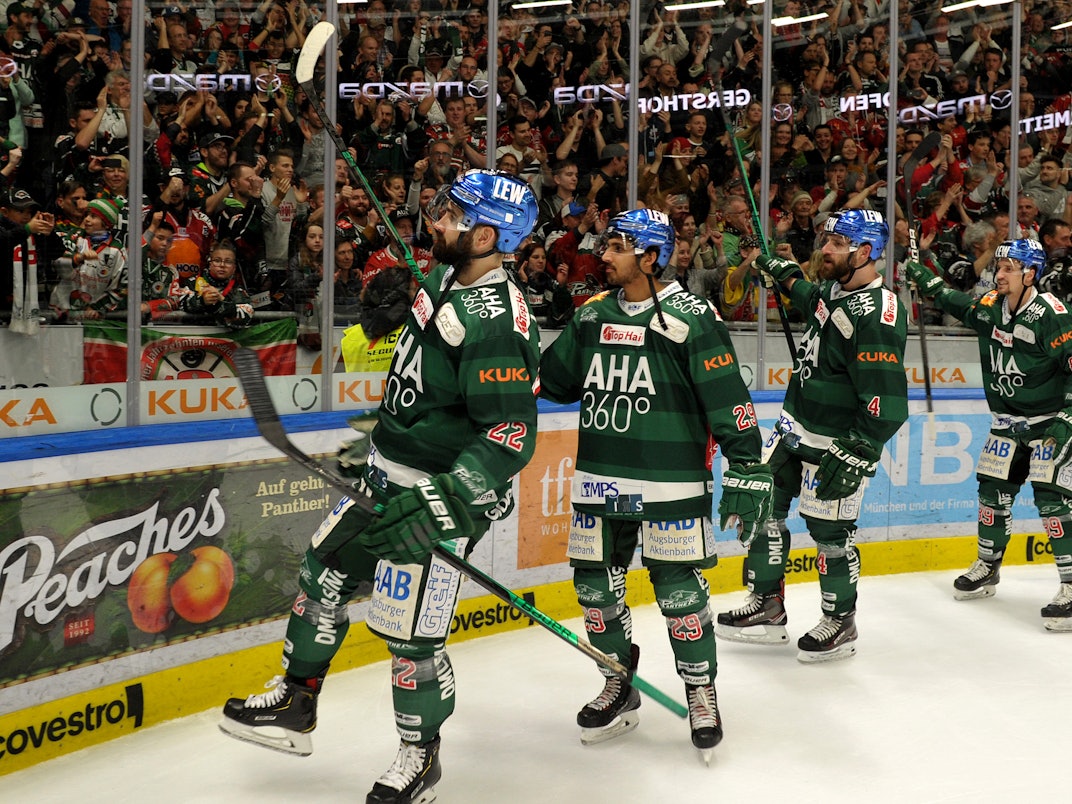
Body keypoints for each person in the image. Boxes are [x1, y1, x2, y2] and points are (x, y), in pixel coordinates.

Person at [219, 170, 541, 804]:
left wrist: (444, 498)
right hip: (382, 478)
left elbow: (509, 434)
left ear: (486, 236)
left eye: (455, 214)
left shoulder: (495, 320)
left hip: (435, 499)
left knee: (409, 635)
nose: (438, 219)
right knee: (323, 573)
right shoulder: (449, 275)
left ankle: (421, 757)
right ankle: (297, 703)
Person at [539, 208, 772, 758]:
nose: (605, 254)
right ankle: (619, 681)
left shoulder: (693, 316)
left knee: (679, 595)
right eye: (607, 244)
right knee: (594, 591)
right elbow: (553, 381)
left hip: (669, 485)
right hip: (599, 480)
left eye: (618, 246)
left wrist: (747, 465)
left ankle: (700, 691)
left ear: (650, 256)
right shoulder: (591, 316)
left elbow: (729, 400)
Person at [716, 209, 909, 662]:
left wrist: (859, 448)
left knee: (830, 535)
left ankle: (840, 620)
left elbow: (886, 402)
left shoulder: (877, 316)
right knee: (762, 506)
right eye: (826, 241)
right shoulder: (835, 292)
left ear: (865, 252)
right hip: (793, 430)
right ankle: (767, 605)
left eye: (837, 244)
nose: (824, 250)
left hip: (835, 445)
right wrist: (781, 272)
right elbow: (809, 295)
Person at [907, 240, 1072, 629]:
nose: (999, 274)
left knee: (1052, 503)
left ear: (1030, 273)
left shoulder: (1052, 315)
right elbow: (956, 303)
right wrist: (923, 279)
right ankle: (987, 565)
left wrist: (1066, 417)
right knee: (991, 495)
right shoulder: (990, 307)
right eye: (999, 266)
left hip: (1049, 424)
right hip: (1006, 423)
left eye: (1010, 267)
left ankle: (1071, 584)